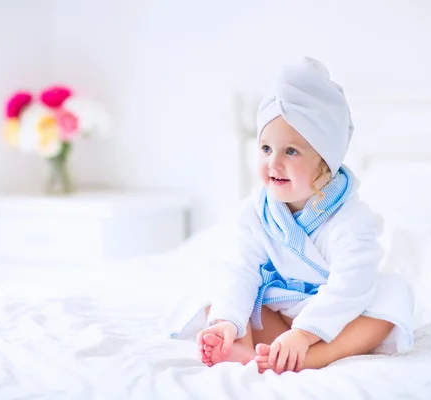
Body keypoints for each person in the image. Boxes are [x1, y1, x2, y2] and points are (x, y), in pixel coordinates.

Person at [167, 56, 413, 374]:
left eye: (291, 151)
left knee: (392, 294)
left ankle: (314, 358)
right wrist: (228, 321)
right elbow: (241, 270)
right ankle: (239, 344)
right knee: (220, 285)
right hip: (275, 318)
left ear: (325, 161)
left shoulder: (352, 221)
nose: (274, 163)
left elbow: (349, 287)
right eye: (266, 149)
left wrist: (303, 333)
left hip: (331, 324)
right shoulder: (257, 212)